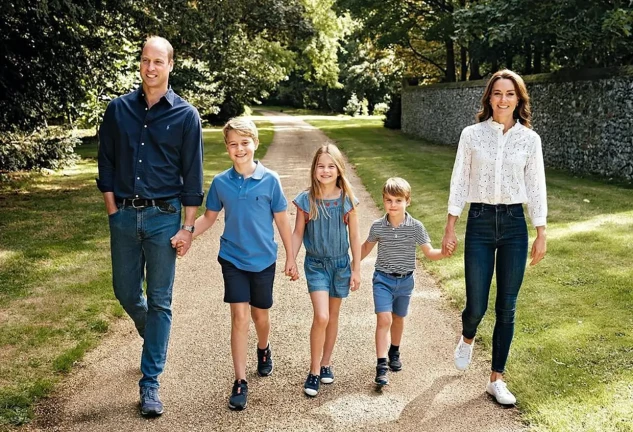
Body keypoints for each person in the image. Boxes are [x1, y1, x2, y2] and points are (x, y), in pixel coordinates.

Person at [96, 36, 203, 416]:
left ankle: (150, 383)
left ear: (171, 66)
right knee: (125, 292)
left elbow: (193, 177)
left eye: (158, 61)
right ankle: (153, 338)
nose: (151, 68)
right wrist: (113, 211)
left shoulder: (187, 116)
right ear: (140, 64)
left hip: (164, 218)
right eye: (145, 60)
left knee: (160, 300)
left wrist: (187, 227)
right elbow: (105, 164)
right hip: (124, 215)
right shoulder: (118, 110)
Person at [173, 117, 297, 411]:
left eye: (244, 143)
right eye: (233, 144)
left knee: (260, 316)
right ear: (227, 148)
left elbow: (282, 219)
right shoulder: (221, 182)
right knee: (239, 318)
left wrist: (291, 256)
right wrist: (186, 233)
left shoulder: (270, 180)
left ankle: (263, 349)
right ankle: (240, 380)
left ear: (255, 143)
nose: (239, 149)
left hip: (264, 259)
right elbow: (209, 218)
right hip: (233, 258)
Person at [442, 69, 547, 405]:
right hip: (480, 221)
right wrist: (450, 226)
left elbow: (536, 186)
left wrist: (540, 231)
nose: (503, 99)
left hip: (515, 223)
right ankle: (468, 336)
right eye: (498, 93)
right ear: (489, 97)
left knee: (507, 306)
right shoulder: (471, 135)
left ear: (519, 99)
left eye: (510, 94)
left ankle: (496, 379)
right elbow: (459, 180)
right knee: (476, 305)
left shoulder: (530, 140)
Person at [361, 177, 453, 387]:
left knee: (398, 318)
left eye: (398, 200)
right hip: (382, 279)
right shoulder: (378, 226)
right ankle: (381, 365)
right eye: (389, 200)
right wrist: (352, 265)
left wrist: (444, 253)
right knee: (384, 319)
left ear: (407, 201)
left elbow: (429, 252)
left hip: (405, 282)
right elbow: (366, 248)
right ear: (383, 201)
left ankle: (394, 350)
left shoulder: (416, 227)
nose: (393, 205)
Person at [291, 144, 361, 397]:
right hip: (316, 265)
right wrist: (291, 258)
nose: (325, 170)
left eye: (331, 166)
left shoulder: (347, 200)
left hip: (341, 265)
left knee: (332, 316)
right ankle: (313, 370)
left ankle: (326, 362)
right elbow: (298, 232)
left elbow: (354, 235)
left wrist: (356, 268)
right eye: (321, 165)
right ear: (314, 169)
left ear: (339, 170)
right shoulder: (306, 200)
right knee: (321, 316)